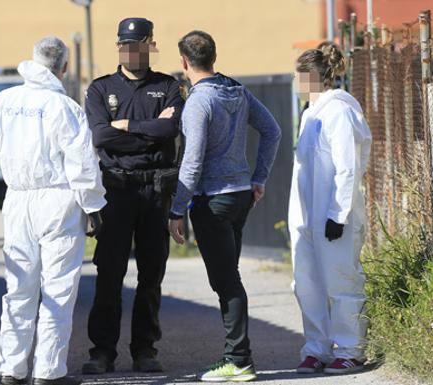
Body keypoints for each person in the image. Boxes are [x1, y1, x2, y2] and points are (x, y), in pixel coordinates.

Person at [0, 36, 106, 385]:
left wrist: (13, 164)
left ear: (33, 60)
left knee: (18, 285)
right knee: (58, 288)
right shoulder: (64, 107)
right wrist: (92, 206)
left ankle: (11, 367)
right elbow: (82, 164)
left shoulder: (4, 101)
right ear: (64, 67)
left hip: (17, 198)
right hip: (58, 200)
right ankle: (48, 372)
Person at [168, 31, 282, 382]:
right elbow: (273, 130)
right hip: (239, 195)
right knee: (228, 276)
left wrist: (176, 209)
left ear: (184, 62)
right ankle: (234, 356)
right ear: (213, 57)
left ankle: (239, 361)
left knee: (226, 281)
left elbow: (193, 159)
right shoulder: (237, 89)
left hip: (213, 200)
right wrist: (258, 178)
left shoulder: (199, 102)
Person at [82, 17, 184, 375]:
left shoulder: (168, 86)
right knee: (109, 273)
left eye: (137, 43)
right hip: (116, 188)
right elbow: (100, 138)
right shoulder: (100, 89)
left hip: (155, 189)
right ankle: (102, 352)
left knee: (151, 274)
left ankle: (144, 349)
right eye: (124, 44)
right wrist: (149, 134)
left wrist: (127, 127)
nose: (130, 50)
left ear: (150, 45)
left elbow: (171, 128)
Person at [289, 46, 372, 375]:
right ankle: (317, 347)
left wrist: (338, 214)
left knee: (341, 282)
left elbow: (346, 167)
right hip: (307, 217)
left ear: (313, 77)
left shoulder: (339, 111)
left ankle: (351, 348)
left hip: (334, 216)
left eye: (299, 75)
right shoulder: (311, 113)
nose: (296, 82)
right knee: (306, 282)